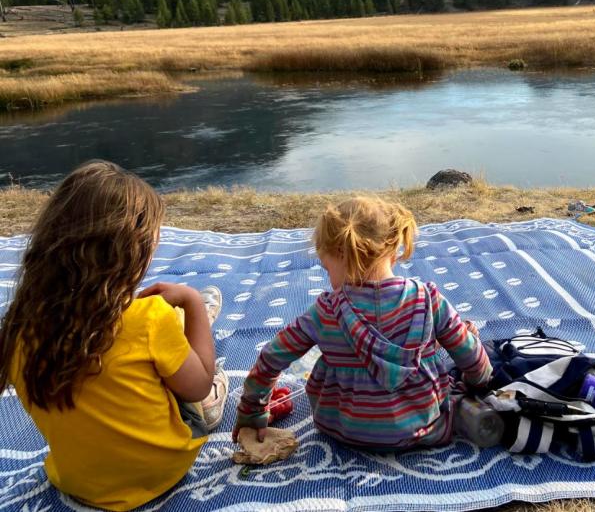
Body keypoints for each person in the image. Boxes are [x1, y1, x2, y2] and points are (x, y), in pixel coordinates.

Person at [0, 160, 229, 511]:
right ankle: (202, 336)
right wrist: (191, 300)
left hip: (80, 482)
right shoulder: (148, 318)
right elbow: (196, 385)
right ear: (131, 250)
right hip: (162, 470)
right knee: (198, 374)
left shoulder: (17, 325)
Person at [234, 196, 492, 449]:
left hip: (341, 429)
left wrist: (252, 411)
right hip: (423, 429)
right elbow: (473, 359)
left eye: (327, 268)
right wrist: (475, 384)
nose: (328, 277)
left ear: (340, 257)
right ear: (392, 253)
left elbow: (271, 357)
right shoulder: (428, 300)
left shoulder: (325, 310)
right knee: (458, 348)